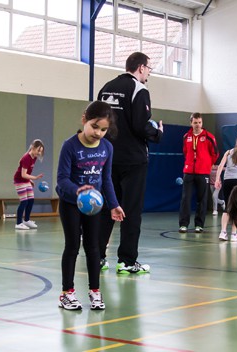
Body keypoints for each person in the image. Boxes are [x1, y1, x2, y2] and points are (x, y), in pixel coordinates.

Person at [97, 52, 163, 274]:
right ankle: (126, 261)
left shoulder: (105, 87)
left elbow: (96, 121)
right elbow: (140, 125)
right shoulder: (139, 90)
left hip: (107, 158)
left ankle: (97, 257)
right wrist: (157, 132)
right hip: (133, 160)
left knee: (107, 208)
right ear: (141, 68)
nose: (149, 74)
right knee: (130, 211)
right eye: (149, 69)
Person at [56, 101, 125, 310]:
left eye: (104, 129)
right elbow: (62, 180)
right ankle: (67, 293)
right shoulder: (70, 146)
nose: (99, 133)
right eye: (95, 127)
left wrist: (114, 204)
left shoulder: (107, 148)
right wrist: (78, 190)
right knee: (72, 246)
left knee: (94, 248)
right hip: (71, 204)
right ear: (84, 119)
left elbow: (106, 180)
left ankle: (95, 292)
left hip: (94, 206)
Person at [178, 112, 218, 234]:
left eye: (199, 122)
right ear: (191, 123)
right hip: (189, 172)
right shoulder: (186, 137)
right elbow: (186, 152)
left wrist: (207, 164)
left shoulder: (209, 137)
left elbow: (215, 153)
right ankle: (183, 224)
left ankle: (199, 225)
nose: (198, 125)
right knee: (186, 198)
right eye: (195, 123)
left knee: (202, 199)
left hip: (203, 172)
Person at [12, 139, 44, 230]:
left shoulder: (34, 157)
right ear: (33, 148)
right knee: (24, 201)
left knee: (31, 200)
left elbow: (27, 173)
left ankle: (26, 220)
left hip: (26, 180)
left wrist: (30, 180)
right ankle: (18, 223)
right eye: (38, 150)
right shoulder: (26, 158)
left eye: (40, 152)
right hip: (19, 180)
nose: (39, 153)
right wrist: (35, 178)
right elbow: (23, 174)